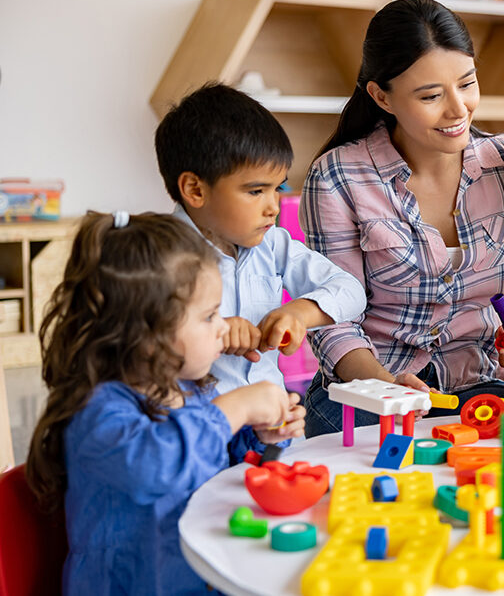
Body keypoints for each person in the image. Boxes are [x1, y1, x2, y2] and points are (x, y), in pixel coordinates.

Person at [300, 0, 504, 436]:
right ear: (381, 96)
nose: (458, 110)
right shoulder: (338, 176)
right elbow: (333, 319)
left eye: (467, 83)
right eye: (431, 95)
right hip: (371, 388)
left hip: (483, 384)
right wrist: (387, 387)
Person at [24, 211, 305, 594]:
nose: (224, 326)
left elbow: (215, 465)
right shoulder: (98, 410)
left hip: (196, 576)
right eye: (209, 317)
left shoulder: (192, 391)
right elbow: (156, 467)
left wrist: (261, 436)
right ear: (148, 333)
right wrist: (235, 409)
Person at [154, 83, 367, 394]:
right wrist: (214, 330)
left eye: (277, 189)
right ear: (195, 190)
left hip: (271, 424)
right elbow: (138, 344)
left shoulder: (272, 244)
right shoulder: (156, 255)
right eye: (256, 191)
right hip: (199, 430)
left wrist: (298, 313)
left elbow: (351, 291)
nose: (273, 207)